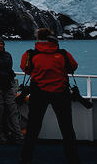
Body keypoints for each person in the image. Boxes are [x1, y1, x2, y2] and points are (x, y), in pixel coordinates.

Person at [19, 28, 80, 164]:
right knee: (67, 128)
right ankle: (73, 158)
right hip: (61, 93)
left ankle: (26, 158)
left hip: (38, 93)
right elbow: (73, 67)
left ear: (38, 38)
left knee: (33, 128)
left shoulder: (31, 54)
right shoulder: (63, 54)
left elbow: (26, 69)